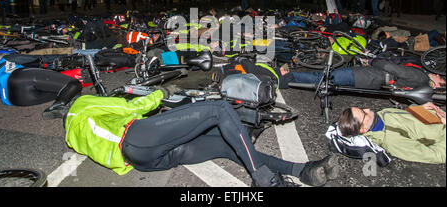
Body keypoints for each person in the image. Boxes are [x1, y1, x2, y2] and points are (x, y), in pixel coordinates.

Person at [64, 88, 340, 187]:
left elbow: (103, 137)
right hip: (134, 138)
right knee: (219, 109)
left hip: (142, 160)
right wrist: (162, 92)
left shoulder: (72, 133)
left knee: (227, 146)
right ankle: (264, 180)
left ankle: (303, 171)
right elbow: (130, 108)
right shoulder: (82, 104)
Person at [337, 102, 445, 164]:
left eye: (362, 108)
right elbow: (437, 155)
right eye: (364, 113)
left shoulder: (381, 115)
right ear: (363, 129)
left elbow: (405, 119)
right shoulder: (392, 141)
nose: (367, 109)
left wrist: (419, 109)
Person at [0, 54, 82, 119]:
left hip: (16, 100)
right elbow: (38, 58)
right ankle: (57, 106)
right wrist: (65, 56)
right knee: (74, 84)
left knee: (65, 92)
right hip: (20, 78)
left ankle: (69, 103)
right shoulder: (7, 58)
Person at [280, 58, 446, 91]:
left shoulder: (421, 77)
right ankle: (292, 76)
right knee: (324, 77)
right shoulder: (423, 84)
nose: (437, 74)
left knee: (322, 79)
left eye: (441, 77)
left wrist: (373, 61)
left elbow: (393, 68)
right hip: (367, 81)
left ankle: (289, 77)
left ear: (439, 82)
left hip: (365, 74)